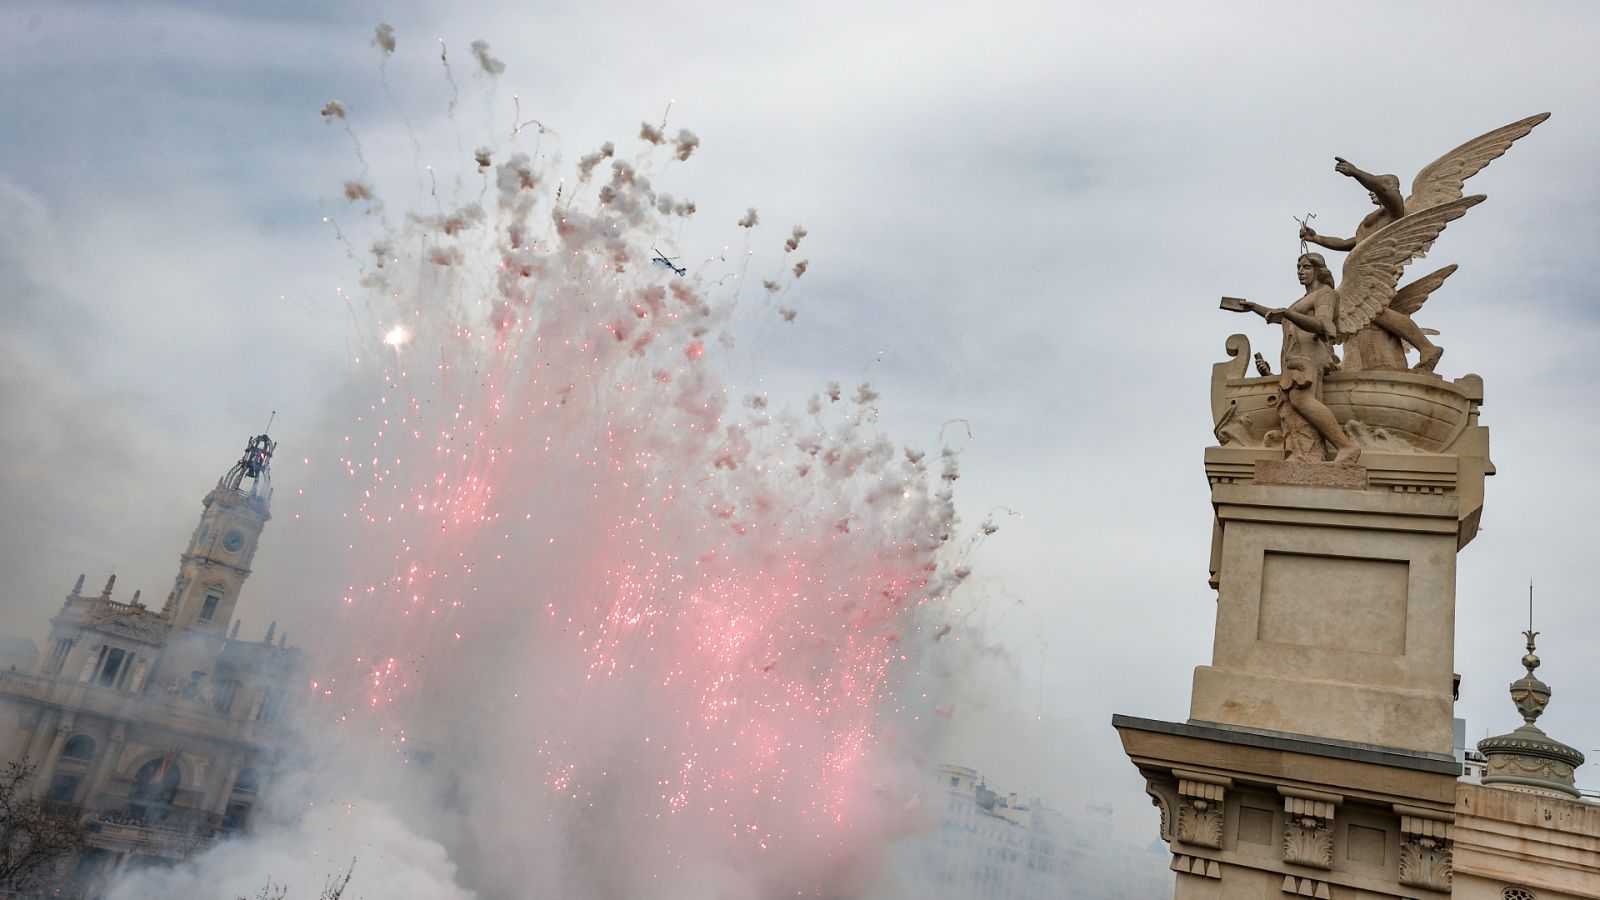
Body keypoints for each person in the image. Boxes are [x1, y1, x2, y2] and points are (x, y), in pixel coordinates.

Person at [1250, 253, 1361, 464]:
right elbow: (1279, 315)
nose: (1300, 271)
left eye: (1306, 267)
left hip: (1308, 356)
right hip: (1293, 357)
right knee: (1292, 406)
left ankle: (1346, 446)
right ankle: (1303, 454)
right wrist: (1253, 307)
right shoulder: (1301, 301)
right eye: (1298, 267)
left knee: (1300, 400)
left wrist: (1288, 314)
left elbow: (1323, 325)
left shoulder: (1326, 294)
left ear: (1319, 270)